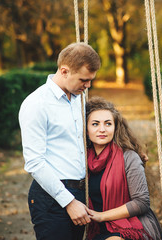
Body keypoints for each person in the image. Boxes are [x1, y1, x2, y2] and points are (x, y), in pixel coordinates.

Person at [18, 42, 101, 240]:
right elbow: (34, 163)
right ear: (64, 71)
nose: (88, 86)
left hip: (81, 193)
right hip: (52, 199)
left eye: (90, 80)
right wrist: (69, 202)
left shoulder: (78, 98)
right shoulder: (36, 104)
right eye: (84, 80)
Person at [85, 97, 162, 240]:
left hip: (131, 227)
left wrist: (101, 216)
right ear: (86, 128)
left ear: (115, 128)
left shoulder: (129, 157)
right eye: (95, 124)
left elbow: (141, 202)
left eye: (108, 124)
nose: (102, 129)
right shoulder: (82, 160)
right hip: (95, 229)